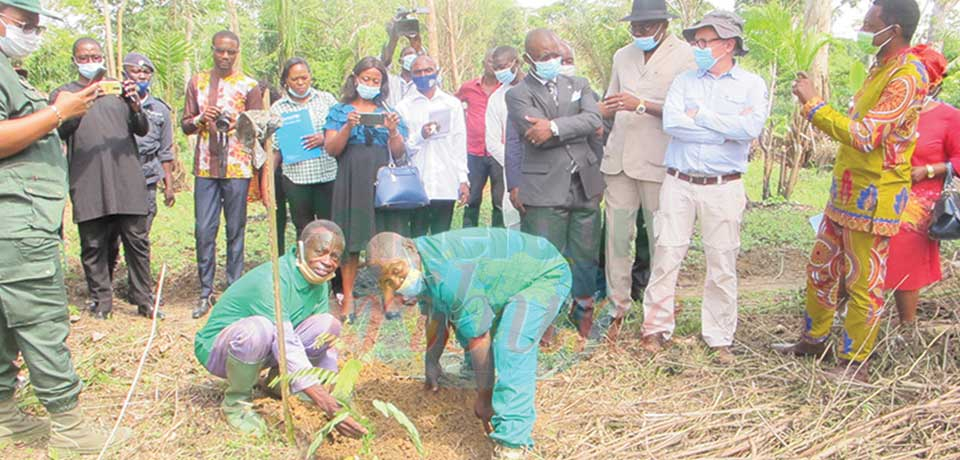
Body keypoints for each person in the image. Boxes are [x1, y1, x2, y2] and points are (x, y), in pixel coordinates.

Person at [0, 0, 131, 455]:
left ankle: (3, 414)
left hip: (19, 217)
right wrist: (58, 112)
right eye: (26, 23)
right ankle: (71, 427)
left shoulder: (8, 71)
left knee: (4, 322)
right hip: (15, 221)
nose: (34, 32)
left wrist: (60, 112)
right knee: (40, 319)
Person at [774, 0, 927, 382]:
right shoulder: (882, 68)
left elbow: (865, 135)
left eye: (868, 21)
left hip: (875, 197)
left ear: (892, 29)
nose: (862, 27)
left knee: (863, 280)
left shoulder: (908, 75)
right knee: (822, 269)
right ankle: (814, 339)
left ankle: (854, 363)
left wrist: (813, 105)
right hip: (845, 194)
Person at [366, 228, 571, 460]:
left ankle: (513, 441)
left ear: (411, 248)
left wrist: (485, 398)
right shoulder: (422, 260)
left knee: (510, 342)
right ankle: (477, 374)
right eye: (389, 281)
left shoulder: (449, 272)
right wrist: (431, 361)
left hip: (545, 273)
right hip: (508, 276)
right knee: (467, 317)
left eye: (399, 272)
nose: (399, 284)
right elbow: (437, 314)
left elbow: (479, 337)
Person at [641, 11, 768, 363]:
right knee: (666, 255)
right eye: (696, 41)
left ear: (728, 45)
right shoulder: (684, 80)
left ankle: (719, 337)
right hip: (678, 182)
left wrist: (701, 117)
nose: (697, 47)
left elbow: (749, 130)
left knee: (722, 262)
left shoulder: (751, 85)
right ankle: (655, 329)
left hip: (723, 187)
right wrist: (725, 127)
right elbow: (673, 123)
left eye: (704, 42)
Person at [194, 220, 366, 439]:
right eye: (321, 252)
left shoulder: (320, 282)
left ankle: (279, 383)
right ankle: (236, 403)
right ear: (301, 248)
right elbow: (287, 343)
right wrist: (325, 403)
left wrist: (332, 388)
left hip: (269, 348)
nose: (327, 262)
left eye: (334, 256)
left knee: (328, 324)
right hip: (221, 351)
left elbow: (324, 343)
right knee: (260, 329)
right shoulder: (272, 279)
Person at [595, 0, 696, 339]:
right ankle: (617, 307)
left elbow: (688, 112)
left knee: (660, 240)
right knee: (618, 238)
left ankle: (659, 313)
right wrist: (602, 109)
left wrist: (640, 104)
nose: (638, 33)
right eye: (634, 27)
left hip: (659, 160)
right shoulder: (622, 56)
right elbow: (610, 101)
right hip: (619, 159)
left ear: (663, 24)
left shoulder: (686, 56)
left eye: (645, 27)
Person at [505, 29, 603, 339]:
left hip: (585, 183)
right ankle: (544, 322)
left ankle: (584, 314)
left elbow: (595, 121)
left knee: (586, 255)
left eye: (556, 55)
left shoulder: (579, 84)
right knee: (546, 258)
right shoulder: (518, 93)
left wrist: (556, 126)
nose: (553, 61)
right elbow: (536, 137)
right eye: (545, 56)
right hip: (544, 189)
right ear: (528, 59)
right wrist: (574, 126)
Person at [52, 38, 160, 320]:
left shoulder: (118, 90)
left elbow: (142, 128)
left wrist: (134, 104)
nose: (90, 61)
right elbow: (58, 133)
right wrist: (80, 105)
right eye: (84, 57)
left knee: (137, 242)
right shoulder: (65, 95)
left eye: (95, 56)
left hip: (126, 179)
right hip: (87, 179)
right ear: (75, 60)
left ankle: (144, 300)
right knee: (93, 245)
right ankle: (101, 301)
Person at [182, 30, 264, 319]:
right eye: (220, 51)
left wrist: (237, 123)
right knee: (204, 229)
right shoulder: (198, 82)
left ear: (237, 52)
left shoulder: (248, 85)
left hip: (237, 166)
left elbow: (259, 127)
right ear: (213, 50)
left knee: (235, 229)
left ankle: (234, 290)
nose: (225, 56)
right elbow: (185, 124)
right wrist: (200, 119)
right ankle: (205, 291)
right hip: (205, 166)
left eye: (231, 52)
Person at [323, 56, 409, 321]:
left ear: (382, 84)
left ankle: (388, 297)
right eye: (366, 79)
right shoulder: (340, 111)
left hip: (382, 181)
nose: (370, 84)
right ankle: (348, 298)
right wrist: (349, 125)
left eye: (376, 80)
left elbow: (400, 153)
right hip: (350, 179)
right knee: (350, 241)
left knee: (385, 240)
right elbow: (331, 149)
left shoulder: (389, 111)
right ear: (355, 79)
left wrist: (393, 131)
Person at [886, 45, 960, 325]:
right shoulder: (890, 110)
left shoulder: (949, 117)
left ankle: (907, 325)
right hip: (882, 191)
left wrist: (928, 170)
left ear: (933, 81)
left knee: (905, 255)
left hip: (919, 199)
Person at [395, 55, 469, 237]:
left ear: (437, 72)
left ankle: (438, 266)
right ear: (411, 76)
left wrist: (463, 179)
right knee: (417, 234)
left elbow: (459, 142)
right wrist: (420, 135)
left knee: (442, 235)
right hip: (417, 181)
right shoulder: (404, 107)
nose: (423, 75)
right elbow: (402, 149)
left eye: (428, 70)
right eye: (418, 72)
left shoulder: (452, 104)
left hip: (446, 180)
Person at [269, 57, 339, 238]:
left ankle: (332, 266)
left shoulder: (327, 100)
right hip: (296, 179)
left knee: (330, 227)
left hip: (327, 175)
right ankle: (305, 265)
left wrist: (324, 138)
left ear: (310, 77)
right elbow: (276, 149)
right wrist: (267, 179)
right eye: (294, 79)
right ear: (286, 81)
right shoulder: (278, 109)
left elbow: (342, 130)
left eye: (304, 77)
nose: (300, 82)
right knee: (303, 229)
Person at [457, 49, 503, 228]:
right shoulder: (468, 87)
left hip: (499, 152)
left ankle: (499, 241)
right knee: (472, 199)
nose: (493, 64)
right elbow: (454, 106)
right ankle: (469, 241)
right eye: (490, 60)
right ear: (483, 62)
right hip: (474, 152)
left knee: (499, 201)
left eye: (497, 62)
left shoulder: (506, 89)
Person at [486, 45, 525, 230]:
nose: (500, 71)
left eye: (503, 66)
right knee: (514, 227)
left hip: (544, 174)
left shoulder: (539, 89)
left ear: (516, 62)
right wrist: (515, 162)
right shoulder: (496, 99)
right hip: (513, 175)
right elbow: (492, 142)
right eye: (496, 68)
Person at [381, 16, 425, 108]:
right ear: (401, 61)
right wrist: (393, 38)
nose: (411, 57)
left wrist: (415, 39)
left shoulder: (423, 81)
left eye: (413, 54)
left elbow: (426, 64)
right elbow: (384, 63)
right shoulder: (391, 81)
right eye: (407, 54)